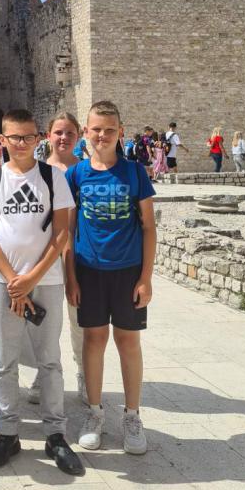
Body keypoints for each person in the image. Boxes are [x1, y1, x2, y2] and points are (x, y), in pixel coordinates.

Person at [0, 109, 83, 476]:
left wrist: (31, 277)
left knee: (49, 359)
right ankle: (8, 432)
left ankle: (55, 434)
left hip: (46, 280)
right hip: (3, 282)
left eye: (27, 137)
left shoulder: (53, 178)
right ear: (2, 140)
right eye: (14, 137)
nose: (21, 144)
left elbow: (61, 232)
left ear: (38, 139)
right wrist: (13, 280)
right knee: (4, 361)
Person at [65, 100, 156, 456]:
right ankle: (95, 412)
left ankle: (132, 415)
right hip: (89, 269)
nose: (102, 136)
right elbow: (68, 231)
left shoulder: (134, 173)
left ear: (120, 132)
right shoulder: (76, 175)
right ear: (85, 132)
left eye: (109, 130)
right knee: (93, 340)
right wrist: (71, 278)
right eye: (96, 129)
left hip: (127, 270)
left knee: (128, 341)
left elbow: (148, 227)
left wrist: (146, 278)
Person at [27, 112, 87, 406]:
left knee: (79, 319)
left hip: (79, 254)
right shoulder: (37, 171)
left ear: (79, 136)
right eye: (58, 132)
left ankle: (85, 374)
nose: (63, 138)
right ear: (48, 135)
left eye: (69, 133)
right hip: (46, 253)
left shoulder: (86, 170)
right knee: (45, 320)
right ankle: (44, 372)